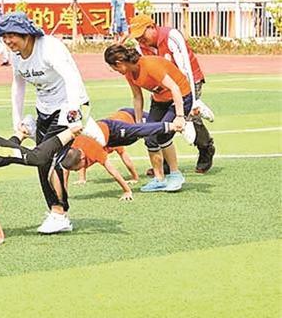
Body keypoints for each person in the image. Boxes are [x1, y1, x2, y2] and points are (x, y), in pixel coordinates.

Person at [0, 11, 104, 234]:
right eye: (4, 36)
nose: (7, 41)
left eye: (11, 35)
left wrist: (73, 114)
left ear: (26, 34)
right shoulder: (17, 56)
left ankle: (59, 213)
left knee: (48, 159)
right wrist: (16, 119)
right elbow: (18, 86)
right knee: (40, 159)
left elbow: (71, 78)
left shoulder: (49, 48)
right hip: (45, 109)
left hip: (70, 106)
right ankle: (57, 212)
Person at [128, 14, 215, 174]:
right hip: (164, 88)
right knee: (161, 124)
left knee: (191, 116)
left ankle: (206, 147)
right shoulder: (140, 48)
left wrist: (192, 100)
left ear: (152, 27)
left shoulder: (171, 36)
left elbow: (185, 68)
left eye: (142, 34)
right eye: (137, 37)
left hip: (188, 81)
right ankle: (165, 163)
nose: (140, 39)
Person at [104, 44, 193, 193]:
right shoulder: (129, 74)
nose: (115, 71)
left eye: (114, 68)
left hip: (180, 97)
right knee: (149, 135)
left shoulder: (150, 65)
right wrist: (139, 124)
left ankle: (175, 175)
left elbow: (175, 88)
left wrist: (179, 116)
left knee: (164, 135)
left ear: (119, 63)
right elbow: (137, 97)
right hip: (160, 100)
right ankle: (159, 179)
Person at [60, 108, 194, 199]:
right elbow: (65, 170)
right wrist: (63, 194)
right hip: (111, 134)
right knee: (151, 133)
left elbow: (113, 171)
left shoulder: (95, 151)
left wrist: (127, 190)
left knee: (144, 130)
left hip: (117, 127)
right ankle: (181, 120)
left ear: (82, 157)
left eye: (76, 169)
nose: (76, 171)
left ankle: (181, 123)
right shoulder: (73, 150)